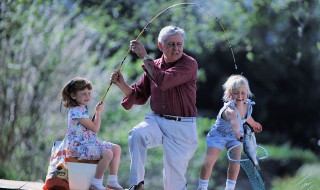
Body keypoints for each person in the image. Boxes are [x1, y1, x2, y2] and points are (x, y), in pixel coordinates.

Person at [110, 26, 198, 190]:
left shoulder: (189, 64)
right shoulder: (154, 65)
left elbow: (163, 81)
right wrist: (121, 84)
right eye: (171, 44)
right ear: (160, 46)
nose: (176, 48)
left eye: (179, 44)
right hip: (157, 121)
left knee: (173, 185)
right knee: (137, 134)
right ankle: (138, 185)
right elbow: (140, 95)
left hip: (182, 127)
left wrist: (143, 56)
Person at [196, 74, 263, 190]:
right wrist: (238, 134)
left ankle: (230, 188)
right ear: (229, 94)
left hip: (234, 137)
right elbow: (235, 124)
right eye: (236, 93)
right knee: (209, 161)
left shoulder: (247, 106)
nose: (240, 96)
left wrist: (254, 124)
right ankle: (202, 187)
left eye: (243, 92)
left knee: (236, 161)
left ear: (247, 92)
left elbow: (246, 117)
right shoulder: (230, 110)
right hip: (219, 136)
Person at [61, 77, 124, 190]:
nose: (87, 96)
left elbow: (90, 127)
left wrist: (96, 113)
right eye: (84, 93)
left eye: (89, 93)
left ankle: (112, 181)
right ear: (73, 95)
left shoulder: (82, 108)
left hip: (90, 143)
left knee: (116, 149)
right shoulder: (75, 111)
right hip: (79, 147)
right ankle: (96, 182)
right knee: (107, 154)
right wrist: (98, 113)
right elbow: (95, 128)